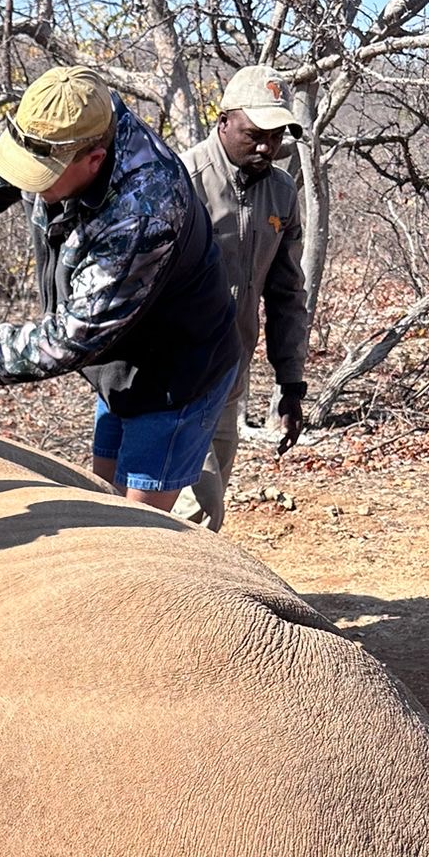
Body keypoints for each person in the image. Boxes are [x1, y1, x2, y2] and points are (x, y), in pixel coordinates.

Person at [0, 66, 241, 513]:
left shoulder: (144, 211)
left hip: (176, 374)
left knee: (139, 529)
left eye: (41, 176)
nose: (26, 184)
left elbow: (68, 338)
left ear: (93, 160)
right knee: (104, 499)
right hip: (116, 364)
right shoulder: (61, 119)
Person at [184, 66, 311, 529]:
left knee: (206, 520)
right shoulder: (183, 180)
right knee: (194, 513)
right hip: (173, 380)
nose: (265, 147)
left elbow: (285, 293)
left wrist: (290, 383)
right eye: (254, 134)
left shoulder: (281, 191)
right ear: (223, 121)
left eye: (276, 136)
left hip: (229, 376)